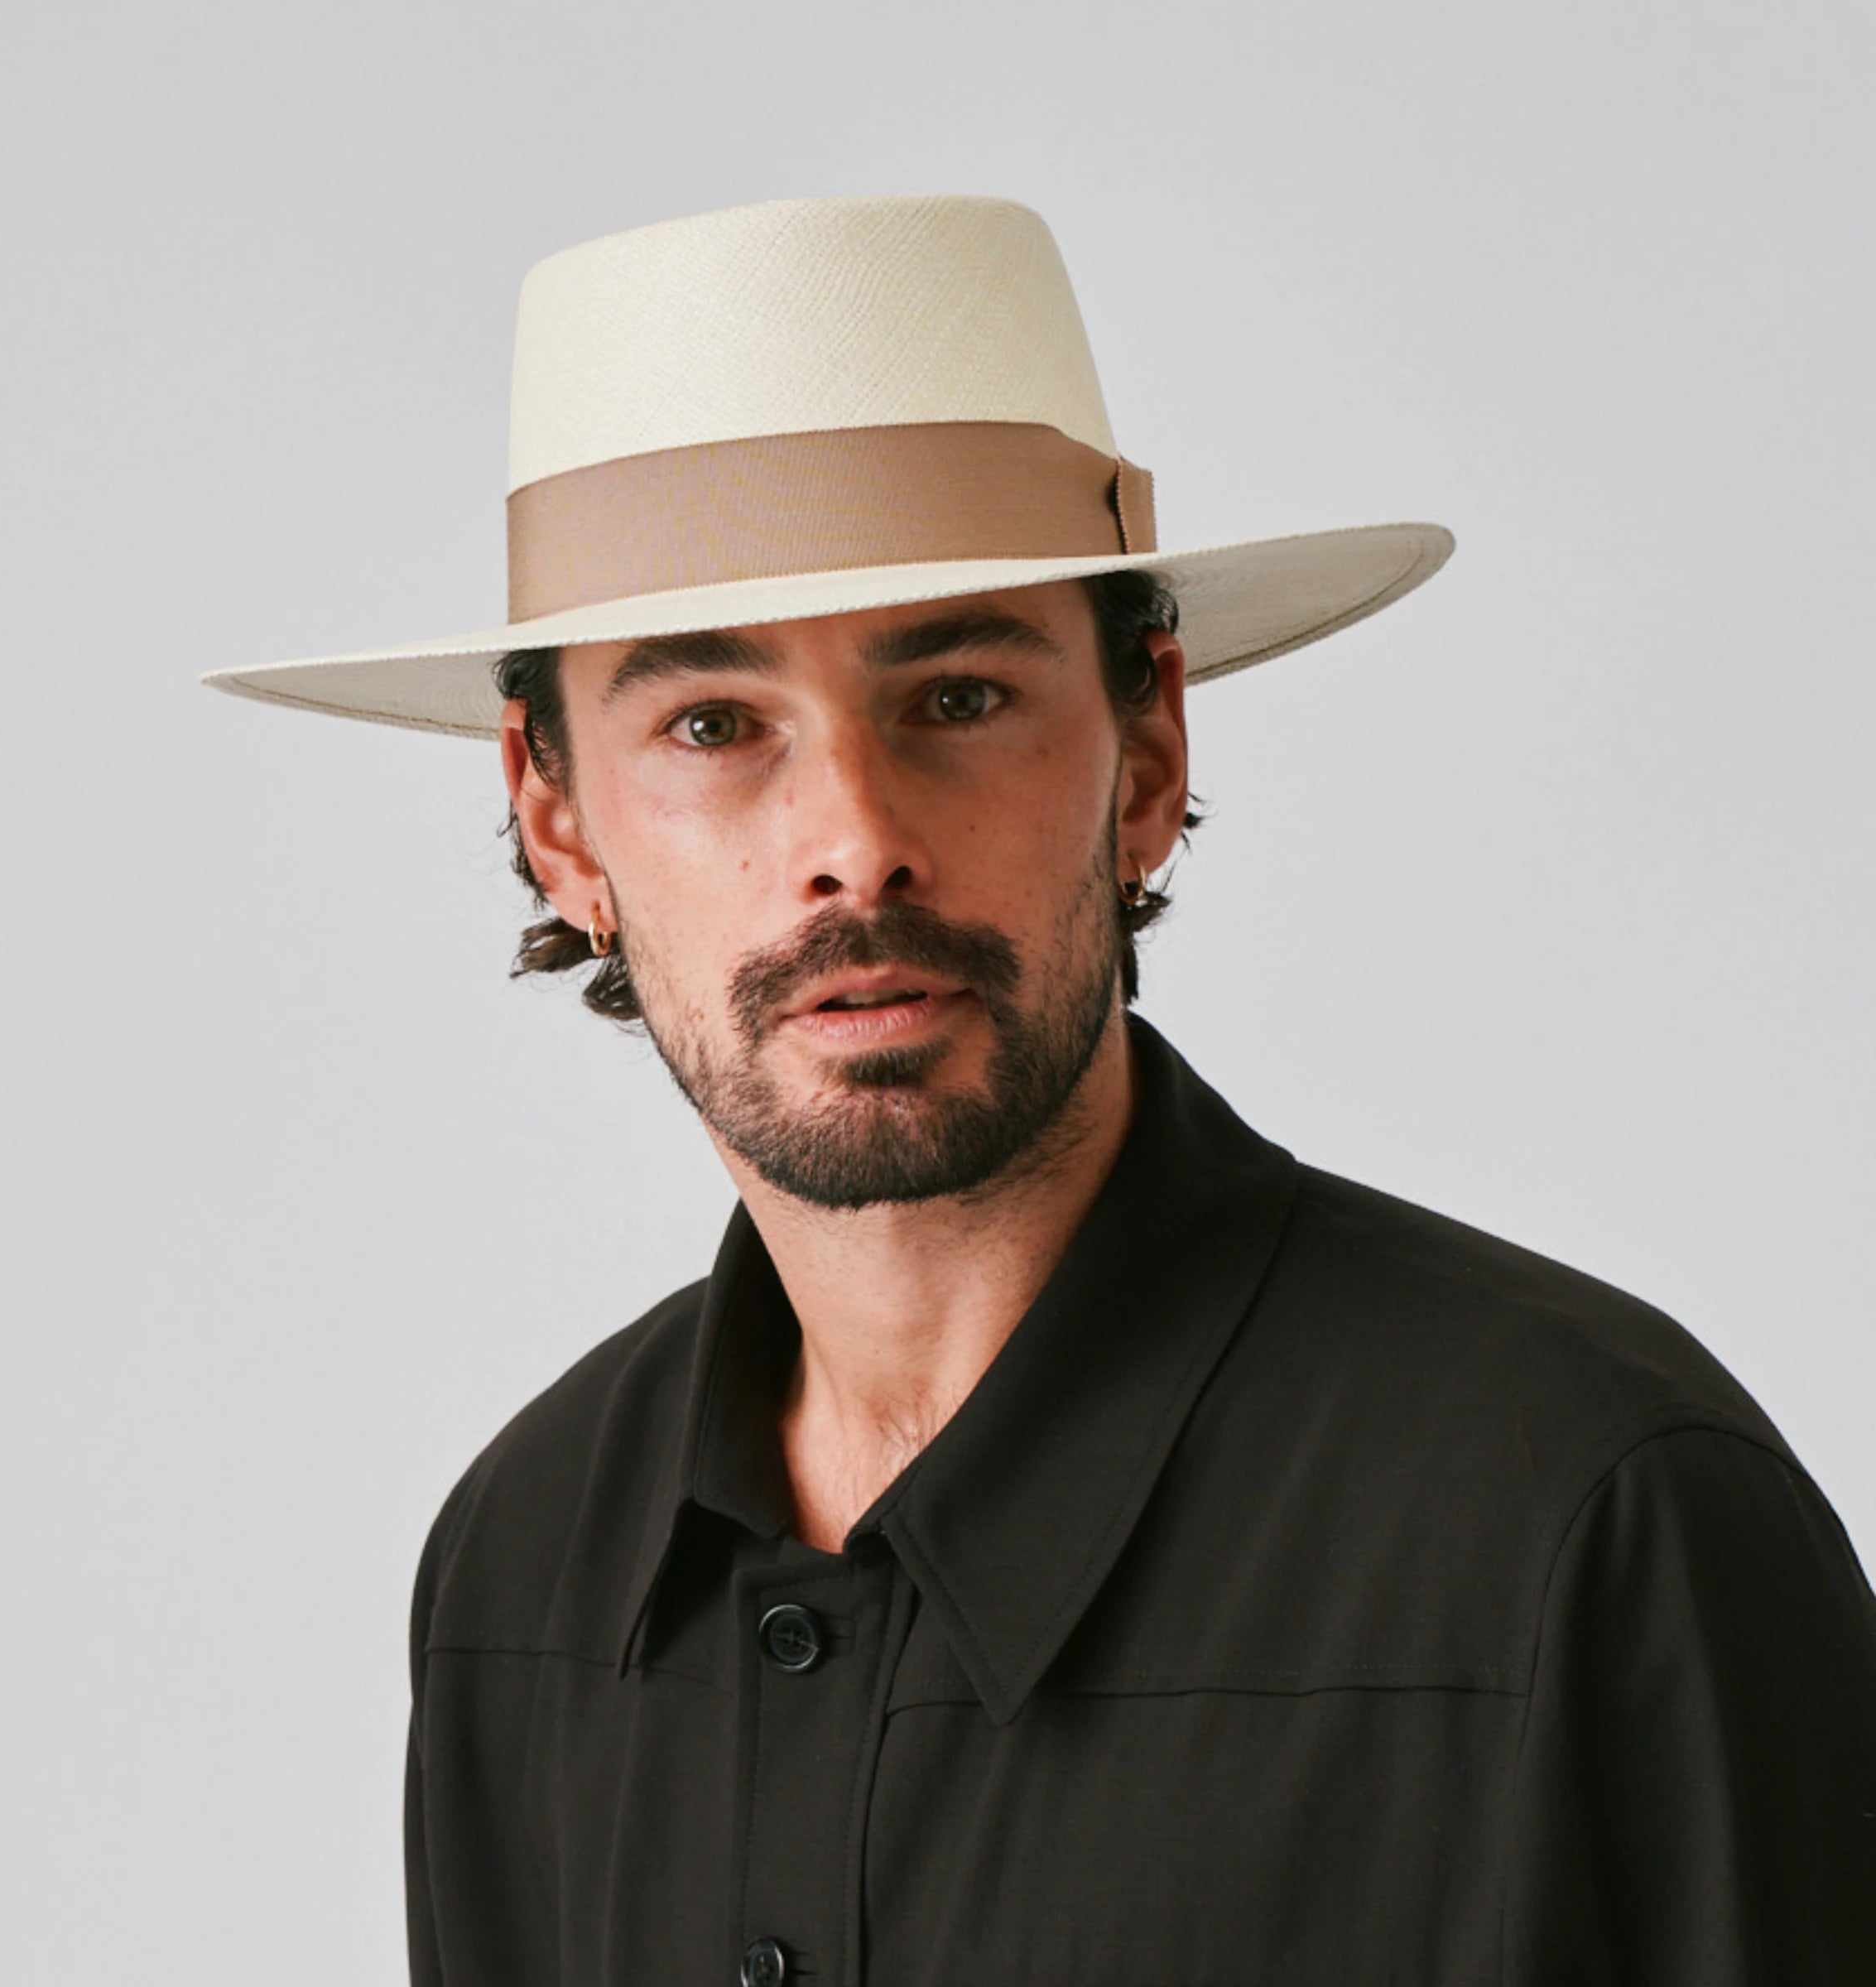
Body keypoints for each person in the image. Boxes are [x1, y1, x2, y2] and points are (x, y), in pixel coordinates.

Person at [206, 195, 1876, 1985]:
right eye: (711, 724)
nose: (855, 842)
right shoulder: (526, 1569)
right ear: (559, 822)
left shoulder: (1586, 1521)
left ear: (1146, 749)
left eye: (960, 693)